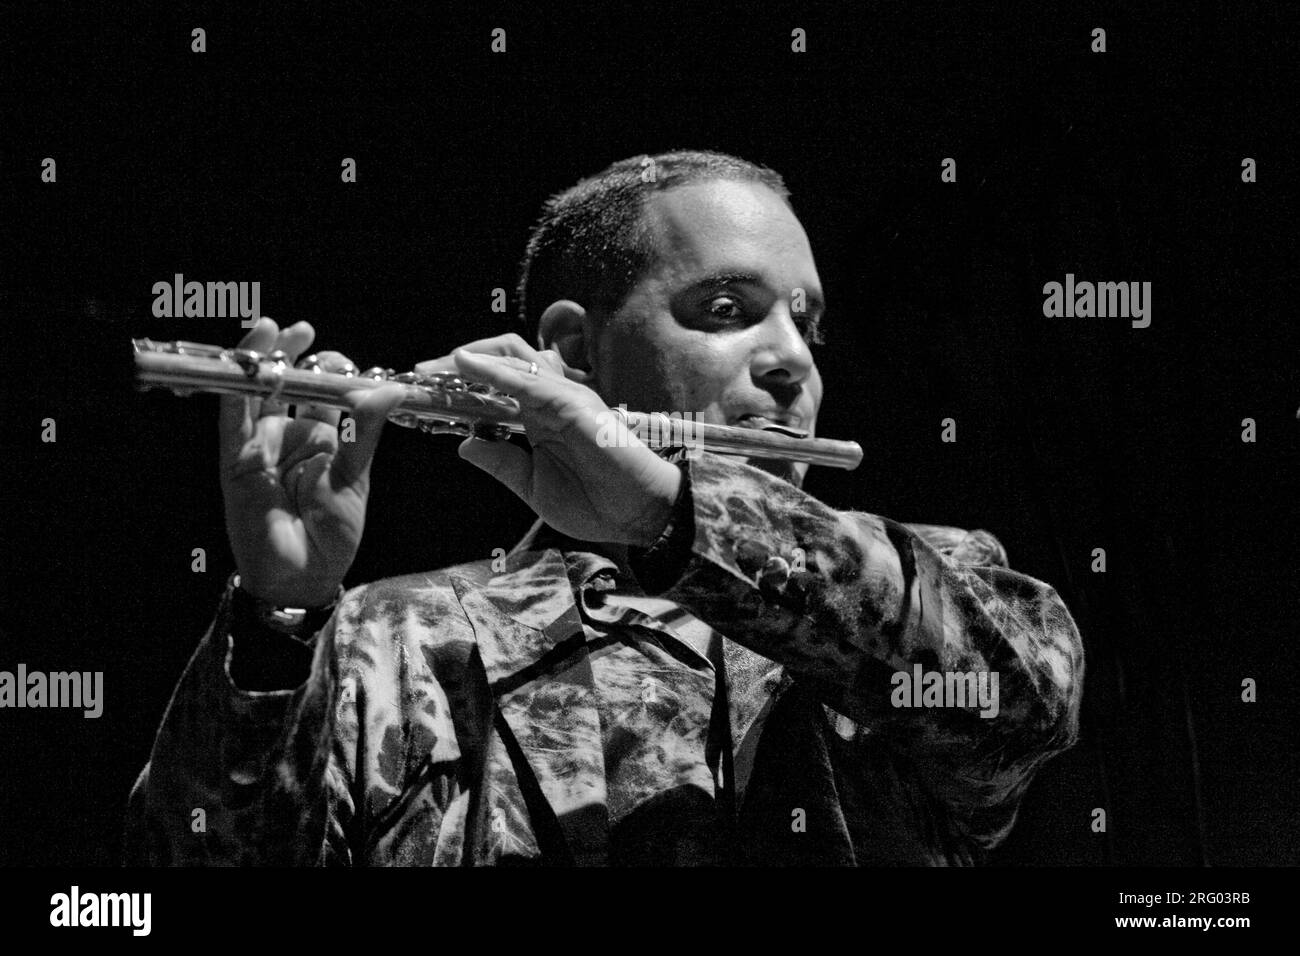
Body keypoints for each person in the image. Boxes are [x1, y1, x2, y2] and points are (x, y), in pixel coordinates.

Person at [125, 150, 1084, 866]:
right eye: (725, 309)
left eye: (808, 320)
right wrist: (277, 621)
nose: (794, 358)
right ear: (576, 354)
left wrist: (673, 512)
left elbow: (1024, 711)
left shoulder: (926, 582)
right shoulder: (396, 635)